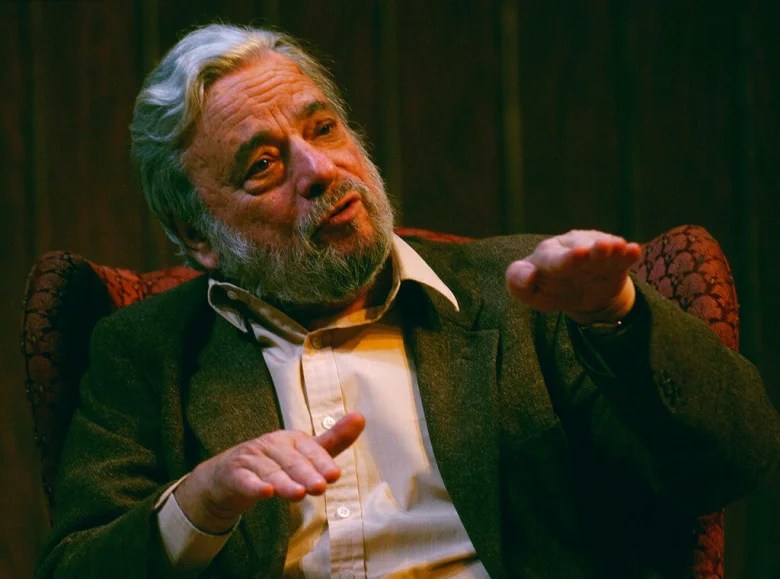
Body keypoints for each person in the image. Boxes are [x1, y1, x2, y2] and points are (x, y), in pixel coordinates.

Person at [37, 23, 780, 579]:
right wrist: (200, 502)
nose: (320, 169)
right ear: (199, 237)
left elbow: (733, 462)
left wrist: (615, 316)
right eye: (263, 164)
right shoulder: (145, 351)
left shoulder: (530, 293)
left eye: (323, 128)